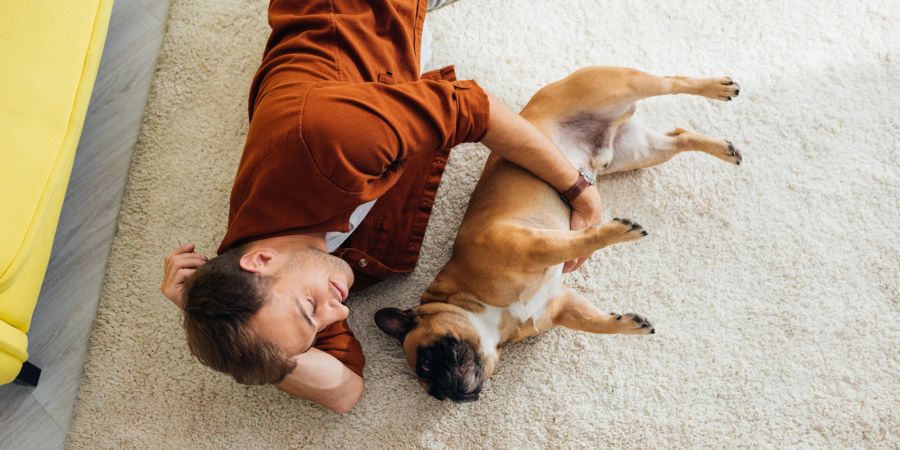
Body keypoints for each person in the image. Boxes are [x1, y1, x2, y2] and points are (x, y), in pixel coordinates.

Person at [159, 0, 603, 413]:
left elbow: (472, 109)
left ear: (260, 260)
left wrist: (578, 188)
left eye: (312, 310)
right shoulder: (282, 284)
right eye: (319, 325)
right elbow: (345, 393)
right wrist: (211, 317)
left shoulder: (324, 142)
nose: (341, 313)